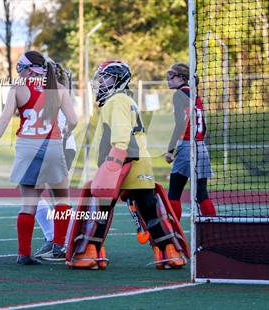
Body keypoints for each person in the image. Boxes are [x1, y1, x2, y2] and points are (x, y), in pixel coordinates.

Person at [66, 60, 187, 270]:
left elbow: (122, 136)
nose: (101, 82)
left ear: (118, 79)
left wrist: (112, 166)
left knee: (100, 211)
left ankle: (88, 253)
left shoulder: (116, 101)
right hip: (140, 163)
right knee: (150, 211)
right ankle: (170, 252)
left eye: (106, 77)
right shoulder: (127, 100)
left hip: (122, 162)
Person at [0, 51, 78, 265]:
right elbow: (73, 119)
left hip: (26, 145)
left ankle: (24, 253)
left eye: (21, 68)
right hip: (52, 145)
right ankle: (59, 246)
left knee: (28, 204)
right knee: (62, 199)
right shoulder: (59, 89)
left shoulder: (18, 89)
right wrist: (66, 132)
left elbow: (5, 119)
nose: (19, 73)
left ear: (28, 69)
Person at [34, 63, 77, 259]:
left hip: (59, 146)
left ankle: (61, 240)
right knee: (44, 196)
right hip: (60, 146)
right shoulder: (56, 90)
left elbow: (71, 121)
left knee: (46, 196)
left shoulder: (54, 91)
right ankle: (57, 239)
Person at [164, 63, 216, 220]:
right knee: (201, 193)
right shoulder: (195, 94)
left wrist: (171, 150)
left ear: (181, 77)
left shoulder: (179, 94)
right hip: (201, 147)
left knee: (174, 193)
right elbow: (204, 126)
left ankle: (173, 235)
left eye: (171, 74)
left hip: (187, 146)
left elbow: (180, 124)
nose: (168, 78)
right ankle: (214, 231)